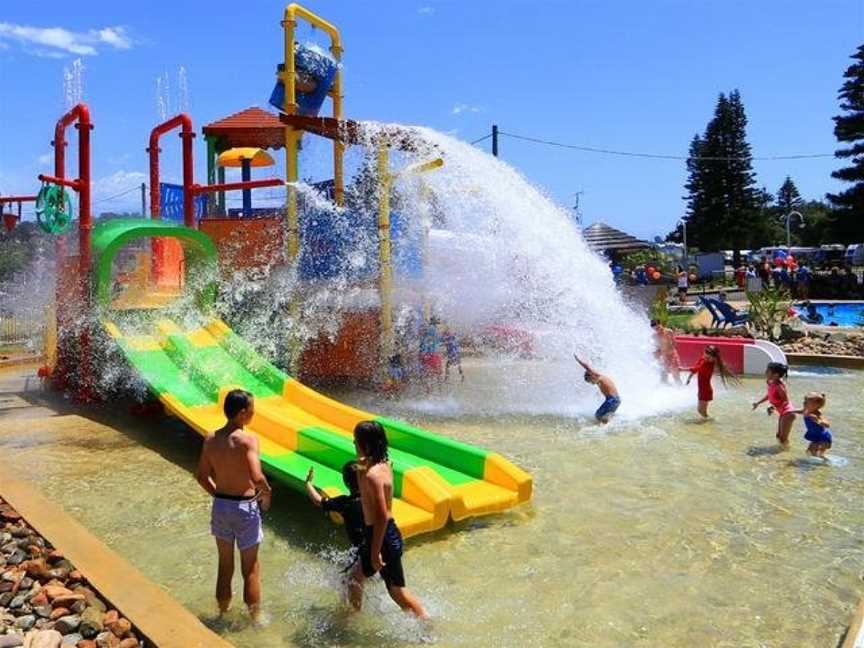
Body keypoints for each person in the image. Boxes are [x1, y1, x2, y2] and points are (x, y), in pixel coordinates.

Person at [195, 389, 271, 622]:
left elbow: (201, 476)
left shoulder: (211, 438)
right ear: (242, 413)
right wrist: (267, 494)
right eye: (252, 409)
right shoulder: (247, 440)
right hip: (244, 506)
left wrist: (218, 494)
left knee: (224, 565)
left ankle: (222, 614)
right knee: (250, 569)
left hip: (221, 505)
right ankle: (255, 620)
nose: (254, 412)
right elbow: (257, 477)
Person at [350, 421, 429, 618]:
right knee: (355, 577)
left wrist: (375, 552)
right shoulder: (382, 464)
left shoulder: (372, 476)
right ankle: (351, 616)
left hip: (382, 537)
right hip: (381, 535)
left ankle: (427, 627)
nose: (353, 444)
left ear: (365, 445)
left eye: (355, 442)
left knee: (397, 592)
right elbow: (361, 468)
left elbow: (382, 516)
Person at [305, 463, 366, 568]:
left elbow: (318, 500)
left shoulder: (345, 503)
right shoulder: (372, 497)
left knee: (349, 581)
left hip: (361, 550)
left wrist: (308, 483)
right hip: (378, 546)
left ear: (346, 483)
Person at [685, 345, 736, 418]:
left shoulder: (709, 365)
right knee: (701, 410)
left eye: (709, 357)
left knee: (700, 411)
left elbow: (696, 369)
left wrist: (682, 369)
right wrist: (689, 378)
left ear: (714, 358)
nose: (706, 357)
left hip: (705, 391)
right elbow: (695, 369)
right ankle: (708, 420)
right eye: (705, 354)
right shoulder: (703, 359)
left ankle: (710, 421)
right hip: (702, 389)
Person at [752, 362, 795, 449]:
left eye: (768, 371)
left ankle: (786, 453)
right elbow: (769, 395)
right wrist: (758, 403)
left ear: (775, 375)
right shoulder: (772, 384)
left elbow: (785, 400)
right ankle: (783, 451)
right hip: (783, 413)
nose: (765, 372)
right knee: (778, 436)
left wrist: (773, 407)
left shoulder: (779, 386)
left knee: (783, 438)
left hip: (788, 413)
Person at [574, 354, 620, 423]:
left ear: (592, 376)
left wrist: (578, 360)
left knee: (598, 415)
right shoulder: (600, 381)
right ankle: (609, 427)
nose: (592, 383)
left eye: (590, 381)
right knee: (605, 417)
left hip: (612, 400)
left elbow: (587, 367)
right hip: (616, 400)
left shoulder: (598, 376)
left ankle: (604, 427)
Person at [790, 392, 833, 458]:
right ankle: (815, 461)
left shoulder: (816, 414)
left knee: (818, 453)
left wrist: (819, 421)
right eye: (804, 401)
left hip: (823, 437)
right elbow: (800, 411)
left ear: (816, 406)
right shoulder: (806, 410)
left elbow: (827, 424)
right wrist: (791, 410)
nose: (804, 403)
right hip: (815, 435)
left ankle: (823, 463)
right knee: (809, 452)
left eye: (807, 402)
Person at [650, 320, 681, 384]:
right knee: (663, 376)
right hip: (664, 357)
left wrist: (669, 350)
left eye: (658, 327)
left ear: (660, 324)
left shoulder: (669, 331)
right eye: (655, 328)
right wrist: (657, 353)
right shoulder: (654, 336)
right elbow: (655, 348)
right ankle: (664, 390)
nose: (657, 329)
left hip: (672, 355)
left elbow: (675, 344)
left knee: (675, 375)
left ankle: (680, 389)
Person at [418, 317, 443, 387]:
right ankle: (439, 388)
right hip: (435, 354)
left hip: (429, 354)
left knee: (428, 373)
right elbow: (438, 341)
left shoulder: (430, 329)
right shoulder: (436, 330)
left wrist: (423, 354)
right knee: (437, 372)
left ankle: (428, 390)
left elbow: (427, 342)